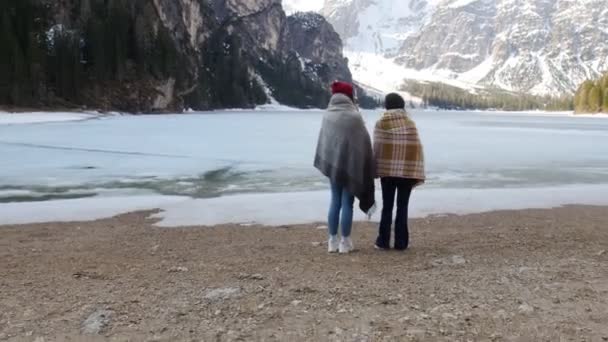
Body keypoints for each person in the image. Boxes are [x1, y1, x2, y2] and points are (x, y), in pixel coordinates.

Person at [314, 81, 376, 254]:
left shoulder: (328, 115)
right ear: (349, 96)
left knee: (335, 200)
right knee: (347, 203)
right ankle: (345, 242)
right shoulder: (355, 116)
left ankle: (332, 241)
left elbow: (325, 142)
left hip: (333, 164)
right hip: (351, 164)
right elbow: (364, 143)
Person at [373, 93, 425, 251]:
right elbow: (416, 148)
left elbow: (377, 148)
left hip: (387, 171)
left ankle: (383, 241)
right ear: (401, 105)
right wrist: (414, 166)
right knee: (403, 206)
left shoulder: (381, 123)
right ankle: (401, 243)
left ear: (387, 105)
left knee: (387, 206)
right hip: (407, 172)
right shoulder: (410, 123)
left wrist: (376, 167)